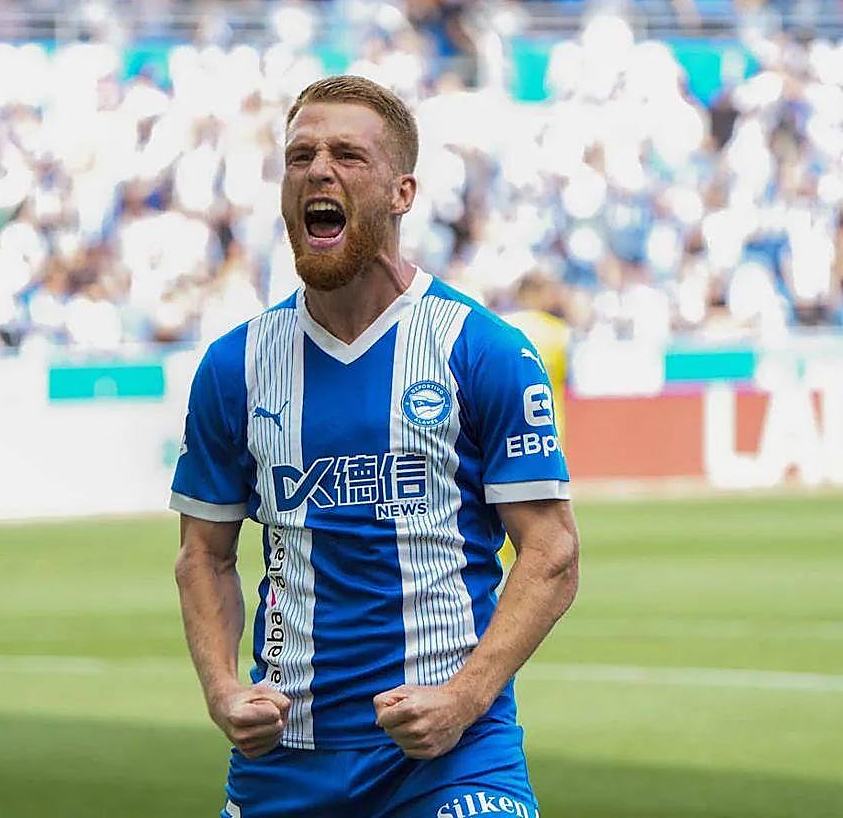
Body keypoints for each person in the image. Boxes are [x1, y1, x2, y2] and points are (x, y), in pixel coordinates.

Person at [171, 75, 580, 818]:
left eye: (348, 156)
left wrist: (462, 699)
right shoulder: (236, 367)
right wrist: (224, 690)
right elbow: (203, 553)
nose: (318, 171)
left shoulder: (481, 350)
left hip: (452, 756)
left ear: (402, 193)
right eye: (300, 157)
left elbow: (552, 551)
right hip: (285, 762)